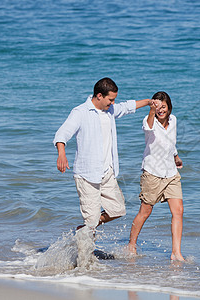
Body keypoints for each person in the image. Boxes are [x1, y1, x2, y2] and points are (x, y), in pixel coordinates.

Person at [53, 77, 153, 232]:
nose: (113, 103)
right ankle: (86, 253)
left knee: (118, 210)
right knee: (91, 220)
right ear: (99, 96)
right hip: (87, 176)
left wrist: (148, 102)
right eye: (110, 99)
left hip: (107, 173)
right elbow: (62, 134)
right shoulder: (80, 112)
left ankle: (85, 228)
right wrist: (61, 154)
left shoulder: (109, 110)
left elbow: (127, 107)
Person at [128, 91, 185, 261]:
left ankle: (176, 253)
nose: (161, 110)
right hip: (152, 173)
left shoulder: (173, 120)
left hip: (171, 173)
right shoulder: (148, 121)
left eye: (163, 107)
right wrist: (151, 110)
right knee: (145, 212)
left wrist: (176, 156)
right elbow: (149, 126)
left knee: (179, 211)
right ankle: (131, 244)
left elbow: (171, 141)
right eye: (158, 107)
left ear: (169, 107)